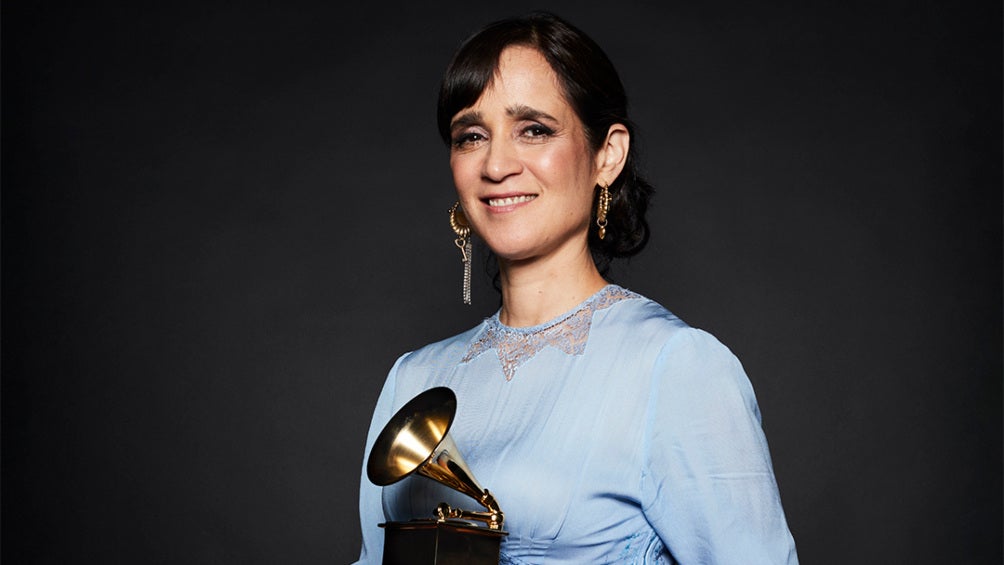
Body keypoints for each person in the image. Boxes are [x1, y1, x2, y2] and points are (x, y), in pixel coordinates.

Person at [353, 11, 798, 564]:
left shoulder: (676, 367)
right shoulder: (413, 379)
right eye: (471, 136)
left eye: (534, 129)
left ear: (607, 155)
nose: (496, 164)